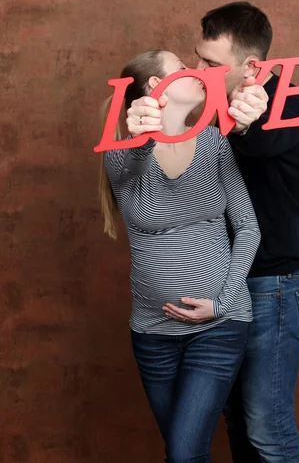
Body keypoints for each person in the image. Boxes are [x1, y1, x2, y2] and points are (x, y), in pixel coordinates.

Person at [170, 2, 299, 462]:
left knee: (267, 428)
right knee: (236, 421)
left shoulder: (292, 105)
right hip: (227, 286)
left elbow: (260, 141)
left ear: (252, 66)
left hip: (273, 285)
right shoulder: (214, 107)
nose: (198, 69)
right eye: (197, 57)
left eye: (211, 63)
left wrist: (244, 122)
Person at [98, 49, 261, 463]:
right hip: (153, 335)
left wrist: (222, 304)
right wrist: (145, 131)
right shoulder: (121, 152)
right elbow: (133, 160)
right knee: (184, 454)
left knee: (185, 452)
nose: (197, 73)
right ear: (157, 86)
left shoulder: (213, 141)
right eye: (183, 68)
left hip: (220, 324)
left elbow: (247, 227)